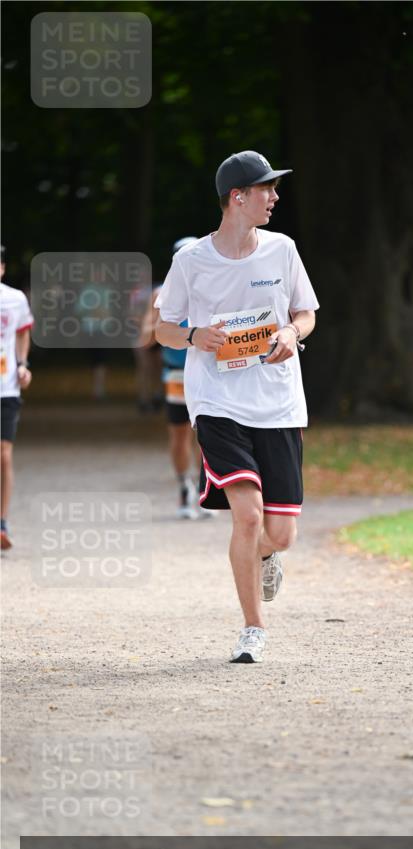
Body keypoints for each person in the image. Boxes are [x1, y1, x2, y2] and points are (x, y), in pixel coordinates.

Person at [155, 150, 319, 663]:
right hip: (218, 402)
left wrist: (292, 332)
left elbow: (306, 311)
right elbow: (161, 328)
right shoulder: (191, 261)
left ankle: (266, 557)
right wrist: (193, 335)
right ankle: (253, 629)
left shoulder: (282, 249)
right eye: (266, 189)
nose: (274, 197)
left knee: (280, 534)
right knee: (245, 517)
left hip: (278, 402)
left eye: (274, 188)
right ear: (237, 197)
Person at [141, 237, 202, 519]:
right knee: (179, 434)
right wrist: (154, 326)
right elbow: (146, 336)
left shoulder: (214, 285)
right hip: (176, 372)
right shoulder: (161, 293)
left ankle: (205, 487)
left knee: (209, 433)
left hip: (207, 369)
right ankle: (183, 486)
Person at [0, 245, 34, 550]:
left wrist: (22, 364)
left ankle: (2, 521)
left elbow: (23, 331)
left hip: (5, 388)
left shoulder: (14, 299)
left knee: (3, 454)